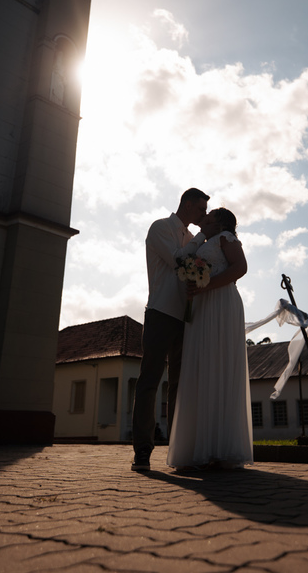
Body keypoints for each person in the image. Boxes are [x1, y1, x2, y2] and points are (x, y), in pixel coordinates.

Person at [167, 207, 253, 472]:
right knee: (201, 369)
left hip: (222, 304)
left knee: (220, 366)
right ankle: (198, 445)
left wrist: (208, 284)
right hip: (203, 307)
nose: (204, 218)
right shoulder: (203, 241)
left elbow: (240, 267)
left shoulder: (226, 238)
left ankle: (222, 446)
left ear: (221, 222)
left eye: (210, 215)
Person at [131, 187, 209, 472]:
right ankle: (142, 450)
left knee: (179, 385)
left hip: (186, 317)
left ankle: (178, 450)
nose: (203, 215)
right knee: (150, 379)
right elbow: (178, 259)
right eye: (201, 209)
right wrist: (202, 236)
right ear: (187, 205)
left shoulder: (192, 238)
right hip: (161, 312)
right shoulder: (160, 228)